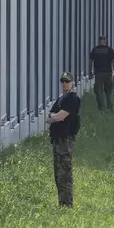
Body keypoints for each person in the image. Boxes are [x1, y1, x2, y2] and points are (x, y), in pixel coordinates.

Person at [47, 72, 82, 207]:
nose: (64, 84)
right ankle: (62, 202)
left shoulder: (73, 99)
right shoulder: (61, 99)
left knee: (65, 173)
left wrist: (53, 116)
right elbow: (48, 117)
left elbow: (59, 117)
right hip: (57, 140)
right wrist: (52, 116)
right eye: (63, 81)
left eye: (67, 81)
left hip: (65, 141)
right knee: (58, 174)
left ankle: (67, 203)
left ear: (72, 83)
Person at [89, 36, 114, 112]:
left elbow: (90, 61)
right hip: (108, 73)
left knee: (99, 91)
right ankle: (109, 108)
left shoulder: (95, 50)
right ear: (105, 41)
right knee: (109, 91)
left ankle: (101, 108)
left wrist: (90, 72)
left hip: (99, 73)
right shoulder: (109, 50)